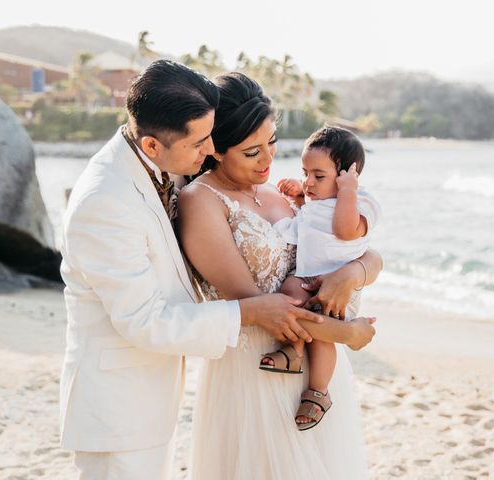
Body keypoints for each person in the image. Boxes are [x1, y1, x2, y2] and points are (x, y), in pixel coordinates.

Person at [59, 60, 333, 480]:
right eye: (201, 142)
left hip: (151, 398)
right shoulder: (105, 201)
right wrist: (249, 312)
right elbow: (144, 321)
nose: (210, 151)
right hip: (118, 410)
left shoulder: (160, 162)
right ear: (152, 146)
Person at [177, 72, 382, 479]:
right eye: (252, 152)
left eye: (272, 143)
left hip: (318, 372)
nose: (268, 160)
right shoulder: (201, 202)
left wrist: (353, 273)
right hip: (260, 368)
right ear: (215, 149)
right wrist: (348, 335)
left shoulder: (278, 193)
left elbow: (358, 248)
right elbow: (264, 310)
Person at [261, 126, 381, 431]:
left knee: (321, 336)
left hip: (337, 288)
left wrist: (348, 191)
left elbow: (342, 230)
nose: (308, 181)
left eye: (318, 176)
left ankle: (318, 391)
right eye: (305, 173)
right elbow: (310, 228)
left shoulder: (361, 203)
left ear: (346, 176)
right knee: (289, 294)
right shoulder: (317, 202)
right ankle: (293, 351)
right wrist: (301, 199)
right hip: (305, 278)